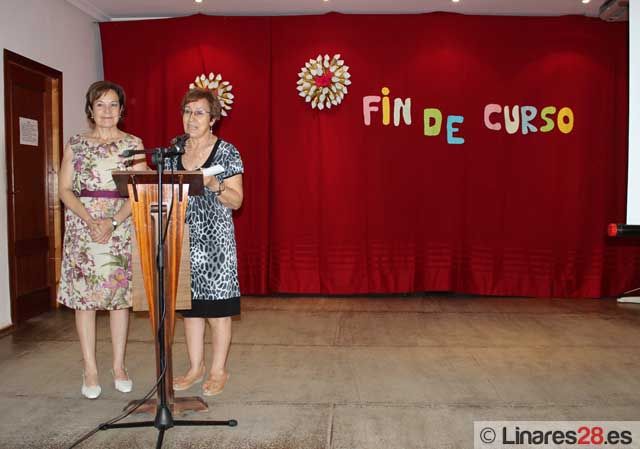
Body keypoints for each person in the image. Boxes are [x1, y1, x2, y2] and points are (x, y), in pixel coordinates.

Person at [57, 81, 146, 399]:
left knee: (118, 299)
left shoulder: (134, 143)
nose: (107, 111)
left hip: (119, 226)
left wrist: (111, 221)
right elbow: (65, 188)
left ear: (122, 110)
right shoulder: (76, 143)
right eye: (100, 104)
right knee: (86, 301)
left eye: (113, 105)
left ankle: (119, 366)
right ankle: (90, 368)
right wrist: (90, 219)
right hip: (84, 227)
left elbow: (140, 190)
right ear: (90, 110)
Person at [169, 88, 244, 396]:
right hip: (181, 235)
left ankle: (217, 369)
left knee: (218, 310)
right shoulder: (174, 148)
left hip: (215, 243)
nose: (192, 118)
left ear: (213, 118)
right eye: (188, 111)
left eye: (199, 112)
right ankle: (195, 367)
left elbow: (237, 201)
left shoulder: (227, 152)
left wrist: (214, 185)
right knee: (190, 309)